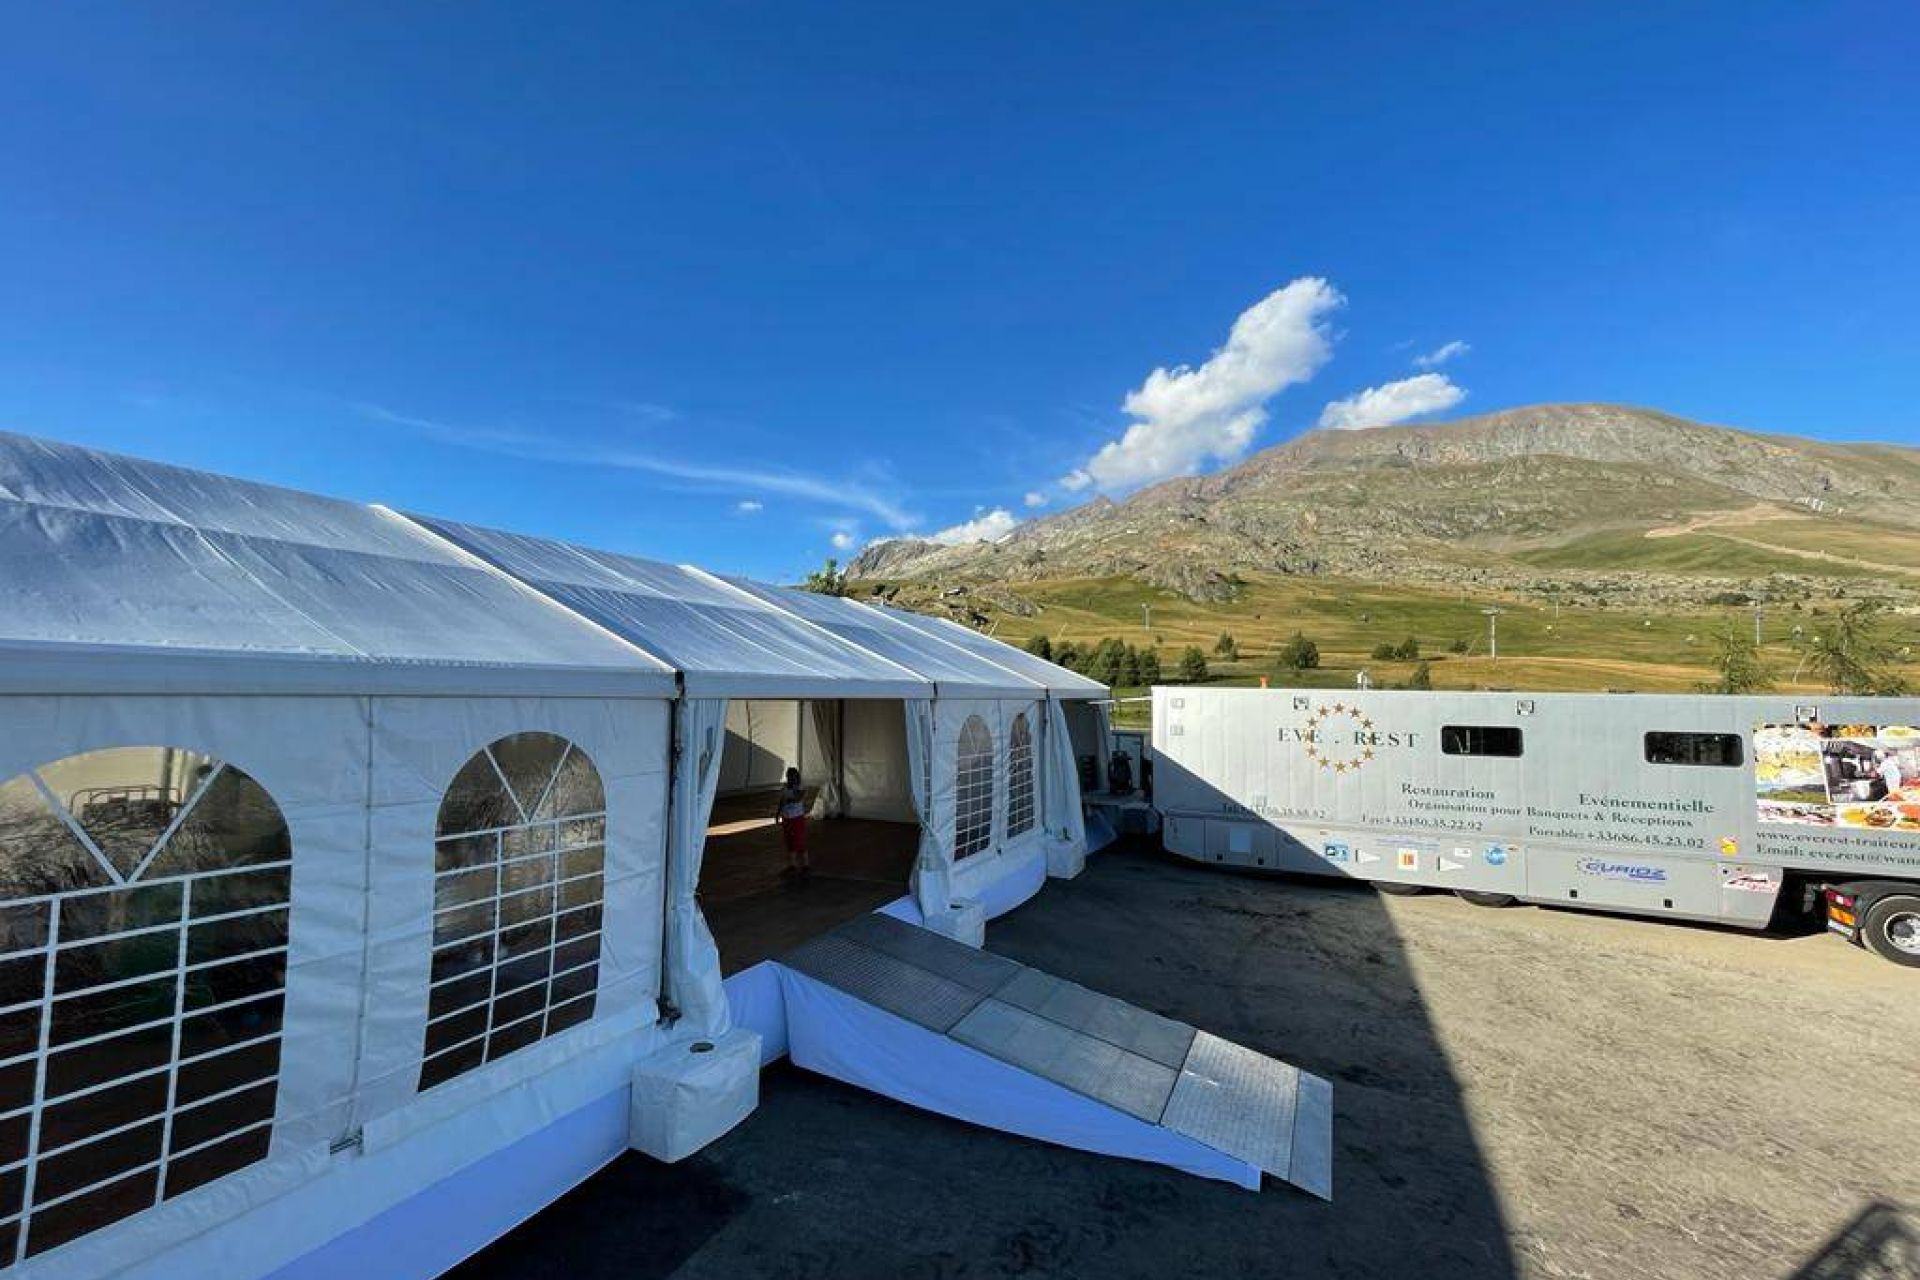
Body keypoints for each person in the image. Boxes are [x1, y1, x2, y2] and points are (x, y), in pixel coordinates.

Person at [774, 767, 810, 878]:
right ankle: (792, 865)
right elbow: (781, 801)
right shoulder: (785, 788)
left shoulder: (800, 787)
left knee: (799, 841)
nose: (790, 778)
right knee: (790, 842)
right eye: (788, 776)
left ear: (796, 777)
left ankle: (805, 864)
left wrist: (790, 799)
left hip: (797, 819)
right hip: (787, 819)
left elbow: (799, 798)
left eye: (792, 776)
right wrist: (778, 813)